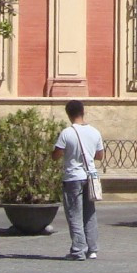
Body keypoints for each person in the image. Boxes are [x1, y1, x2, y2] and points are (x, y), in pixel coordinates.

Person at [52, 100, 105, 260]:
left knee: (74, 214)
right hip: (90, 176)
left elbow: (56, 155)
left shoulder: (67, 133)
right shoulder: (95, 132)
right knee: (89, 214)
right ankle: (93, 249)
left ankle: (77, 250)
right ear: (83, 111)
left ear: (68, 114)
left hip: (73, 177)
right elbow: (100, 155)